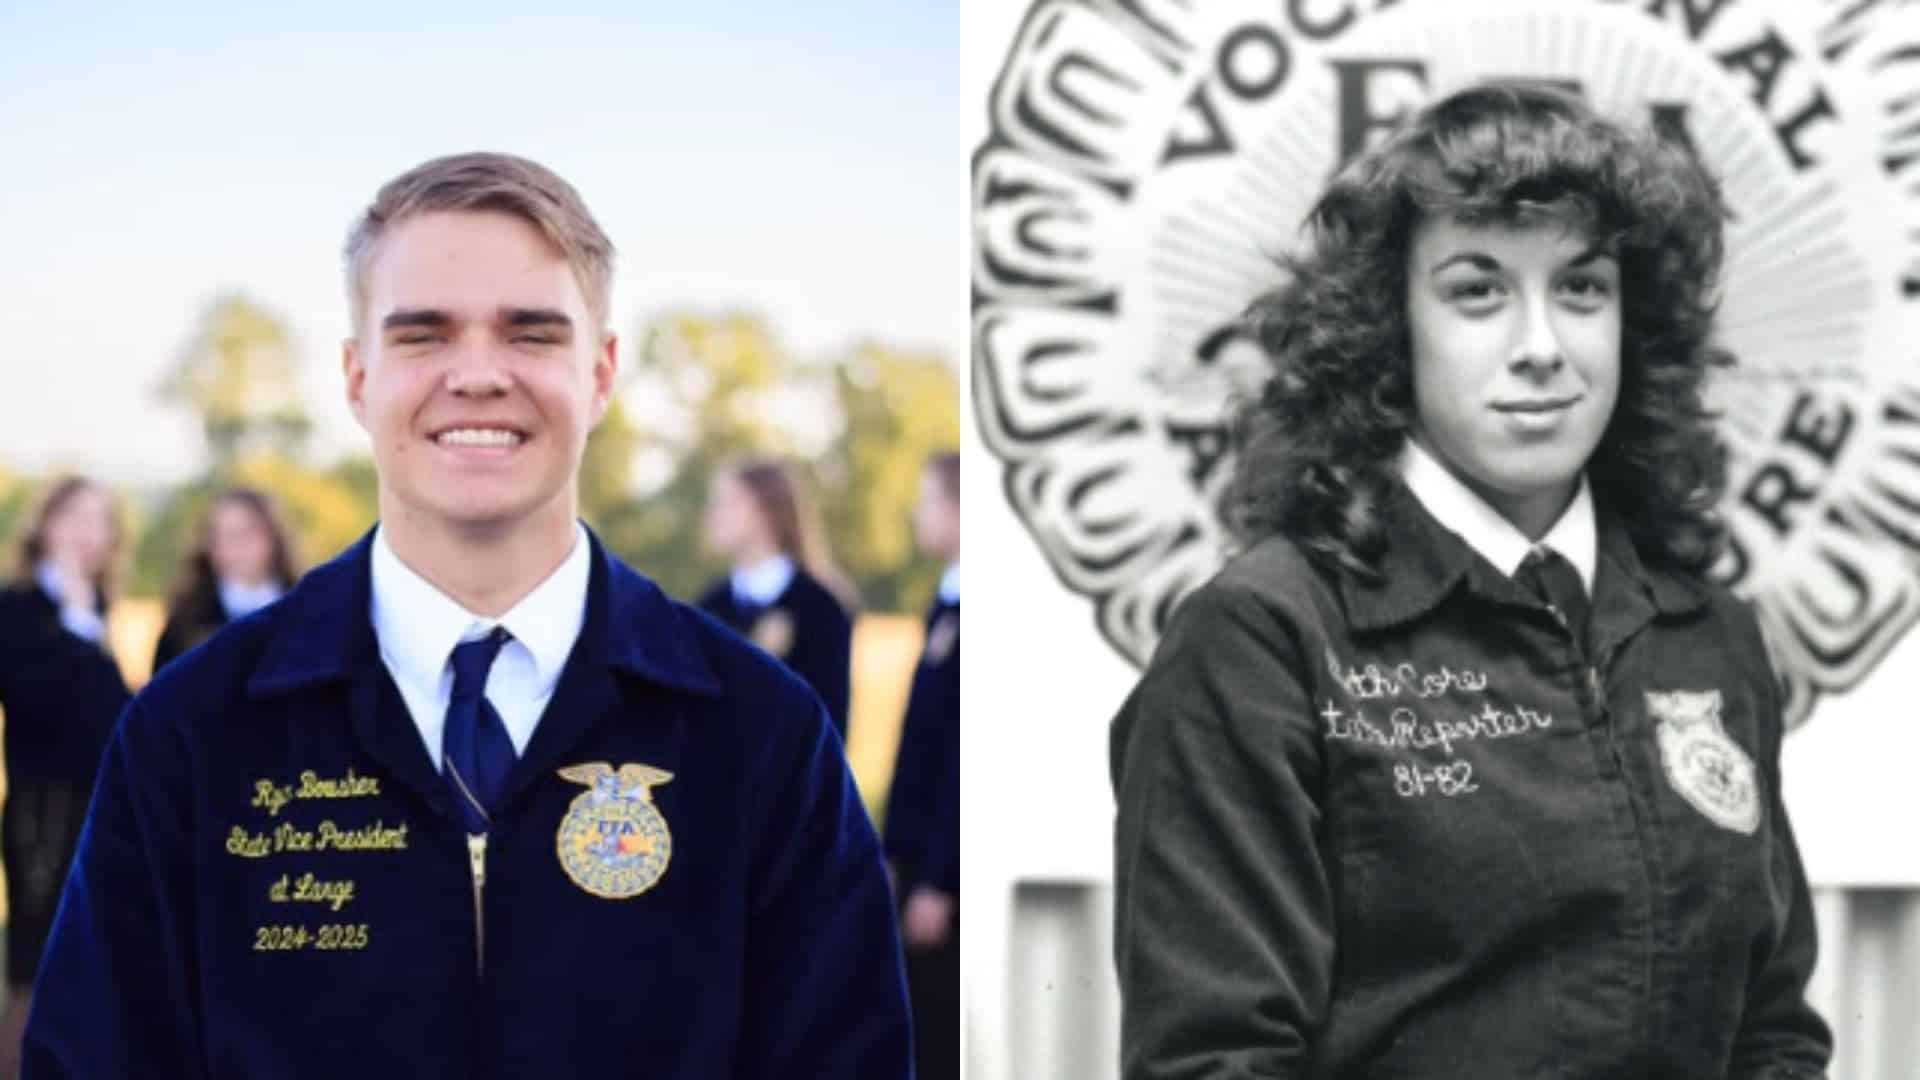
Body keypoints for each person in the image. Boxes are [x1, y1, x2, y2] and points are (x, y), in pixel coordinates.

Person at [24, 152, 911, 1078]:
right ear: (357, 376)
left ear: (601, 372)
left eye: (530, 334)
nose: (478, 374)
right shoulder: (193, 732)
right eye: (424, 335)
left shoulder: (761, 735)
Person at [1110, 84, 1833, 1078]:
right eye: (1477, 290)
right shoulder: (1262, 641)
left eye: (1581, 288)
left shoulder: (1709, 637)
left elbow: (1774, 1033)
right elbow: (1213, 1063)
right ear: (1391, 328)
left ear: (1633, 322)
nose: (1541, 348)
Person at [0, 477, 130, 1079]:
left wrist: (85, 621)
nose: (85, 532)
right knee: (34, 960)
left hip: (99, 807)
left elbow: (114, 717)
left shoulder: (95, 610)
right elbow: (39, 702)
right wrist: (80, 626)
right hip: (40, 815)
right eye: (73, 517)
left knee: (94, 958)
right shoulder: (16, 607)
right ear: (45, 527)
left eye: (97, 521)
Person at [883, 450, 960, 1080]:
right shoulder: (946, 603)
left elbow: (961, 762)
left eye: (928, 499)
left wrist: (941, 879)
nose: (917, 513)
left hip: (945, 882)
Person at [696, 459, 857, 739]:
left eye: (727, 502)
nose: (712, 514)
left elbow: (830, 723)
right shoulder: (709, 605)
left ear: (766, 511)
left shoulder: (821, 607)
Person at [151, 487, 299, 675]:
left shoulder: (303, 609)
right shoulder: (185, 623)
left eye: (245, 533)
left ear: (274, 537)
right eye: (222, 535)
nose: (234, 547)